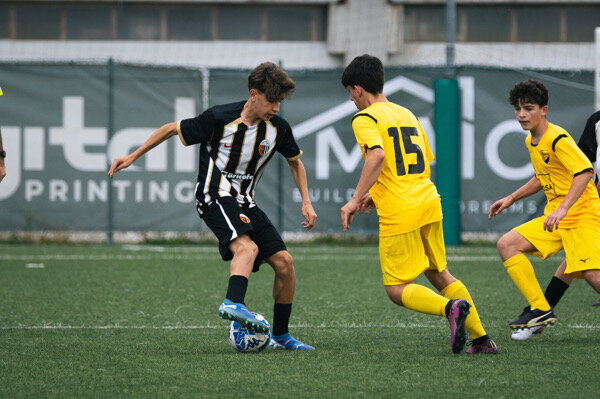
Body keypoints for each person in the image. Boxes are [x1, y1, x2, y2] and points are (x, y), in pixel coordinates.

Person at [108, 62, 317, 350]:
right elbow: (171, 129)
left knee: (285, 264)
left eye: (280, 101)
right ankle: (233, 303)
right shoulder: (218, 118)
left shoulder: (278, 129)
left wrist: (306, 201)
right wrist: (132, 157)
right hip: (213, 195)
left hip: (246, 201)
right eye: (272, 100)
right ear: (253, 94)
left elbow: (295, 162)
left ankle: (281, 336)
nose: (277, 108)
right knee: (248, 248)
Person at [339, 54, 497, 354]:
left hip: (401, 210)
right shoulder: (406, 113)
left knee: (397, 290)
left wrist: (355, 199)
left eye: (350, 93)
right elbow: (416, 163)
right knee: (440, 273)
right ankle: (482, 340)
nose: (351, 100)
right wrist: (376, 191)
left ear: (358, 89)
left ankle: (450, 308)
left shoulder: (365, 118)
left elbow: (378, 156)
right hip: (428, 201)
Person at [489, 80, 600, 337]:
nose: (521, 115)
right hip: (557, 216)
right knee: (507, 244)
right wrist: (512, 198)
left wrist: (562, 209)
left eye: (528, 108)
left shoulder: (558, 138)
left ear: (544, 110)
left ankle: (539, 312)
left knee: (593, 276)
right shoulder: (532, 141)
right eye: (518, 109)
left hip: (582, 215)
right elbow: (542, 176)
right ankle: (540, 308)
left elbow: (585, 172)